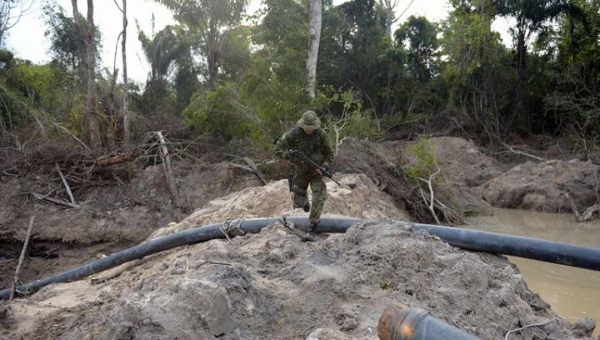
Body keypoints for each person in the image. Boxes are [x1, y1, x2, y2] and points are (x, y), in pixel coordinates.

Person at [274, 110, 334, 242]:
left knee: (319, 197)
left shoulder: (321, 135)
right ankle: (305, 202)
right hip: (300, 171)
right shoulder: (293, 134)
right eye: (307, 128)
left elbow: (330, 155)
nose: (309, 130)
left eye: (311, 128)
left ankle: (312, 228)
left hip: (316, 172)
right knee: (298, 201)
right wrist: (289, 156)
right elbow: (277, 149)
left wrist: (324, 167)